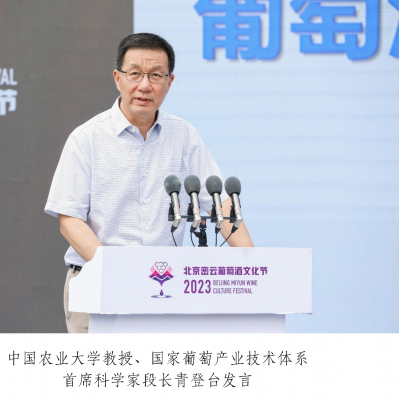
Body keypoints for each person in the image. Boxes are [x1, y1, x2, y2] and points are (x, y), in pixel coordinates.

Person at [45, 33, 253, 333]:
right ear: (117, 78)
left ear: (169, 82)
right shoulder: (86, 138)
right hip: (99, 282)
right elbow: (69, 219)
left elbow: (221, 206)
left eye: (156, 75)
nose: (145, 85)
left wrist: (254, 268)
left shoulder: (184, 136)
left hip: (164, 285)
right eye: (135, 74)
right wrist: (115, 272)